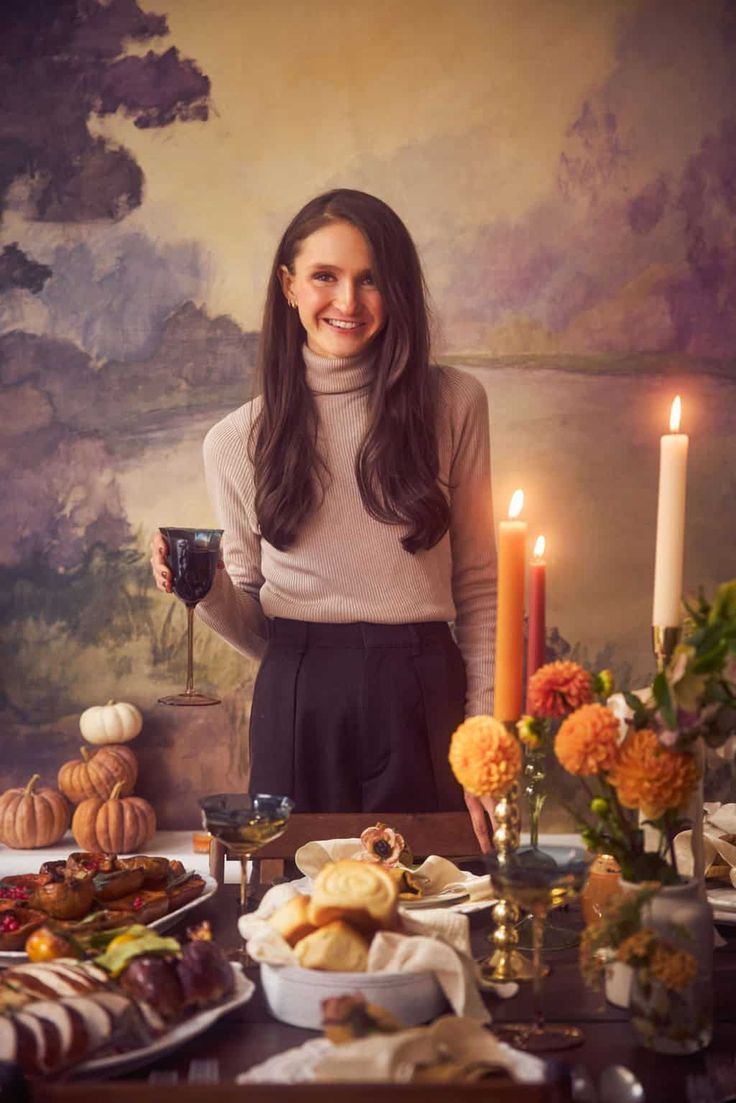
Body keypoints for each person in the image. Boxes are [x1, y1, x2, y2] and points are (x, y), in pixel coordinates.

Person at [151, 189, 498, 850]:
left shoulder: (455, 403)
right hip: (299, 695)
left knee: (441, 909)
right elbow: (257, 627)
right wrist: (198, 587)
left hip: (427, 692)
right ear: (288, 286)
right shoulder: (234, 440)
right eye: (325, 277)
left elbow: (480, 590)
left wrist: (484, 736)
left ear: (398, 289)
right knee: (299, 919)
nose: (348, 301)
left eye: (371, 279)